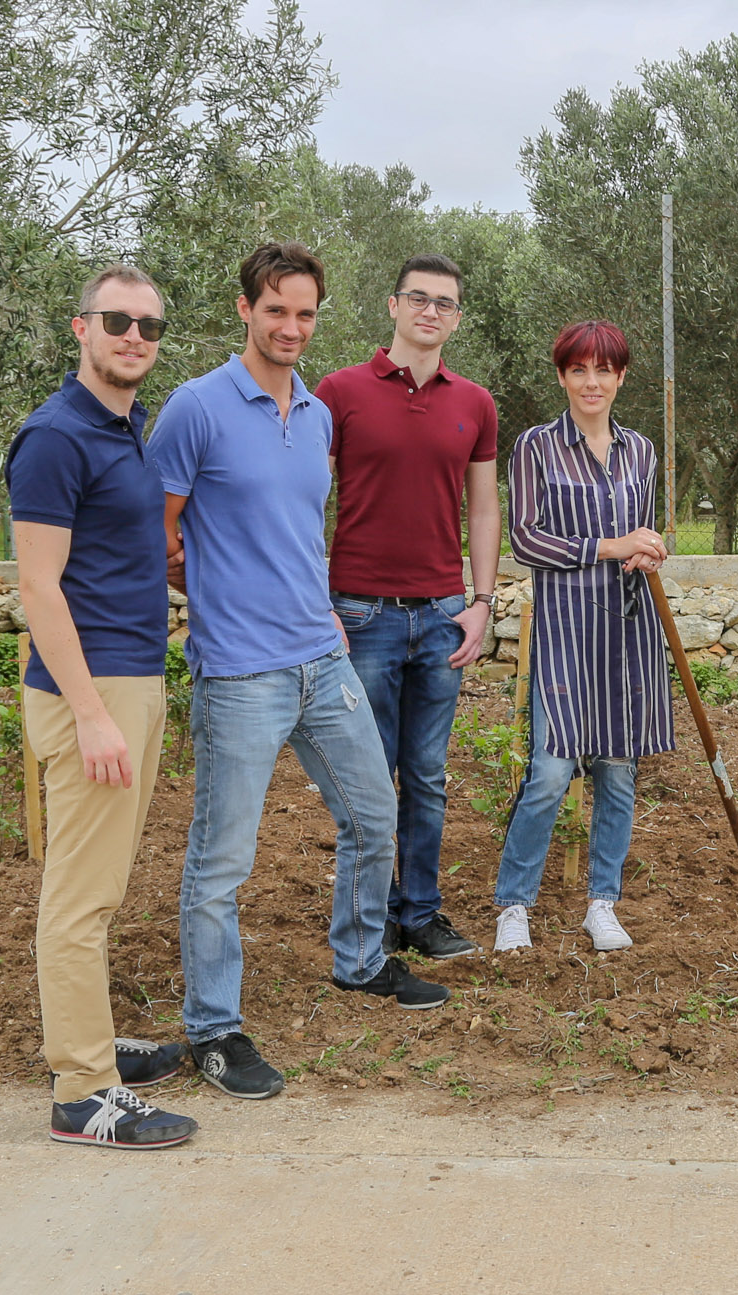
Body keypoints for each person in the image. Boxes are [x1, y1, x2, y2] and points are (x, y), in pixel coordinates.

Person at [152, 241, 447, 1101]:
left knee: (375, 810)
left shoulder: (316, 415)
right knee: (221, 862)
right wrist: (206, 587)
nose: (291, 327)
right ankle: (212, 1029)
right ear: (245, 308)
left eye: (306, 313)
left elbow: (292, 527)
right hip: (241, 672)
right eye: (276, 310)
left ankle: (358, 962)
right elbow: (157, 529)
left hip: (323, 655)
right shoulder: (196, 407)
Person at [11, 265, 195, 1149]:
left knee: (102, 886)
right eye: (118, 321)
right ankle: (83, 1091)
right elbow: (40, 590)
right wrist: (88, 712)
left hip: (133, 677)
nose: (135, 337)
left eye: (150, 327)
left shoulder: (127, 430)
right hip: (92, 689)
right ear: (79, 328)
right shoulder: (54, 436)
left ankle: (89, 1042)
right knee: (78, 898)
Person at [318, 254, 502, 961]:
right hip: (361, 614)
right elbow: (308, 498)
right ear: (393, 306)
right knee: (367, 777)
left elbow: (484, 510)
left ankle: (419, 914)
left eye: (445, 303)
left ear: (456, 318)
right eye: (419, 299)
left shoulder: (475, 404)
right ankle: (368, 924)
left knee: (425, 775)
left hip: (442, 616)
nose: (431, 311)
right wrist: (318, 599)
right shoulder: (340, 393)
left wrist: (482, 602)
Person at [492, 320, 672, 955]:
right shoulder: (537, 447)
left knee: (619, 774)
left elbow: (643, 532)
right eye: (579, 370)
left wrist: (647, 550)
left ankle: (603, 903)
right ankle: (514, 905)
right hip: (567, 632)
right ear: (562, 375)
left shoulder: (642, 452)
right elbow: (525, 539)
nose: (591, 382)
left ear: (621, 377)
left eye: (604, 370)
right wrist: (610, 545)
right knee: (549, 772)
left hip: (628, 631)